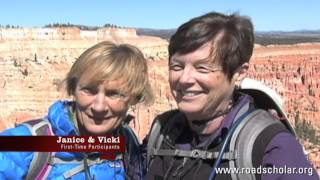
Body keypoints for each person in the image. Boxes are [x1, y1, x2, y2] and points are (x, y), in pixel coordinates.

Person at [143, 12, 319, 180]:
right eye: (177, 67)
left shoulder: (272, 147)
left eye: (202, 68)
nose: (184, 79)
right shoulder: (162, 130)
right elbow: (122, 163)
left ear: (239, 73)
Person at [0, 41, 154, 180]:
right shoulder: (24, 144)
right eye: (89, 91)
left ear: (133, 98)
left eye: (113, 94)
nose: (98, 107)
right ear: (73, 89)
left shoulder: (127, 144)